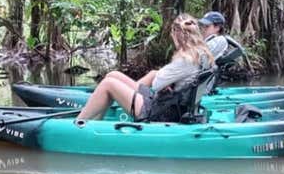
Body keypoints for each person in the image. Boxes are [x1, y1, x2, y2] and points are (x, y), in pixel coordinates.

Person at [76, 14, 214, 121]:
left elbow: (156, 84)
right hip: (172, 104)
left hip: (161, 111)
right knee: (113, 75)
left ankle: (79, 122)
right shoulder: (201, 54)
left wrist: (166, 82)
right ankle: (95, 120)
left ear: (177, 34)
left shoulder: (185, 59)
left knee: (108, 84)